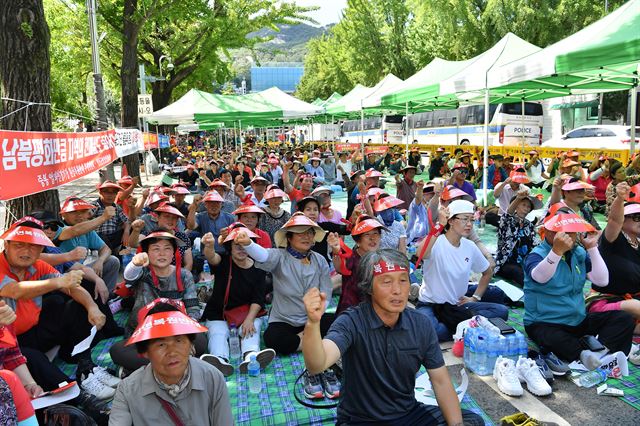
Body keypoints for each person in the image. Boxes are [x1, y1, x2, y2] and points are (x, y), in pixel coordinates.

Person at [301, 249, 484, 425]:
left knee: (471, 421)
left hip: (408, 413)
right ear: (369, 287)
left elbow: (441, 381)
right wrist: (312, 323)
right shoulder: (351, 322)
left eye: (403, 280)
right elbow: (317, 363)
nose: (397, 290)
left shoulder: (421, 324)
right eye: (386, 282)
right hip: (361, 420)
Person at [0, 217, 121, 397]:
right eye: (19, 245)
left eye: (33, 246)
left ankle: (86, 366)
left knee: (76, 304)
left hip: (34, 331)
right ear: (7, 245)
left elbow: (72, 288)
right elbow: (15, 290)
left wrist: (92, 307)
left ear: (41, 249)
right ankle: (75, 393)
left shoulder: (38, 265)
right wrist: (58, 281)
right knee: (38, 363)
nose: (26, 251)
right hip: (9, 343)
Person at [233, 214, 340, 397]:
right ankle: (313, 344)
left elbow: (326, 291)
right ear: (289, 238)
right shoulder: (280, 257)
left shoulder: (320, 260)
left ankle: (315, 350)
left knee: (339, 322)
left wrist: (318, 314)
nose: (306, 237)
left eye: (309, 233)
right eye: (300, 234)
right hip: (285, 320)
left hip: (313, 319)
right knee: (273, 338)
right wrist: (248, 244)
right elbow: (264, 254)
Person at [523, 211, 635, 370]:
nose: (567, 237)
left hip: (577, 320)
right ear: (547, 231)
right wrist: (556, 252)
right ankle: (581, 353)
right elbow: (539, 277)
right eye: (562, 232)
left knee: (624, 318)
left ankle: (599, 354)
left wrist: (592, 248)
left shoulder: (579, 252)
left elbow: (602, 280)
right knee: (550, 338)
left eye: (571, 232)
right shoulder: (536, 255)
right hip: (545, 322)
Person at [109, 300, 233, 426]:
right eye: (161, 344)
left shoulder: (212, 378)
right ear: (145, 351)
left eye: (179, 341)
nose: (172, 352)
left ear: (191, 345)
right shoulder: (127, 391)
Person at [415, 200, 508, 341]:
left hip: (456, 305)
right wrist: (439, 225)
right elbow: (419, 254)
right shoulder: (437, 242)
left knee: (501, 311)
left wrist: (475, 298)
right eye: (465, 219)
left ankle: (461, 327)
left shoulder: (469, 246)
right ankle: (465, 327)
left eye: (471, 219)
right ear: (450, 221)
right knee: (434, 331)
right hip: (430, 305)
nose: (469, 224)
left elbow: (487, 272)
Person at [199, 226, 275, 376]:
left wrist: (249, 319)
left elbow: (258, 298)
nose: (241, 249)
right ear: (230, 248)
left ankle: (251, 357)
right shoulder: (224, 262)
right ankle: (219, 360)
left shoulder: (259, 267)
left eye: (245, 245)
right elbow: (212, 257)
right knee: (218, 333)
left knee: (250, 330)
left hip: (248, 313)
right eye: (236, 246)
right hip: (219, 313)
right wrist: (208, 245)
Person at [588, 182, 640, 357]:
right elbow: (613, 220)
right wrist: (620, 198)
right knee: (636, 307)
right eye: (637, 217)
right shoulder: (612, 239)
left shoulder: (638, 244)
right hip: (604, 302)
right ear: (624, 220)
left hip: (632, 302)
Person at [55, 197, 121, 293]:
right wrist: (103, 217)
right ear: (63, 214)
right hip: (62, 273)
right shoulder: (58, 228)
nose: (79, 215)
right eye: (74, 212)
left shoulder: (87, 230)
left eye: (83, 211)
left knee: (113, 261)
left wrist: (100, 261)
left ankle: (108, 297)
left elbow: (106, 249)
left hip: (82, 270)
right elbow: (75, 230)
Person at [494, 192, 542, 286]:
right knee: (519, 273)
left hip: (524, 262)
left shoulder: (529, 225)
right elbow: (508, 214)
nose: (526, 208)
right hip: (507, 263)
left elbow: (535, 243)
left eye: (528, 207)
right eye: (523, 204)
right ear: (516, 206)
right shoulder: (507, 221)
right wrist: (518, 198)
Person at [129, 203, 194, 271]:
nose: (170, 220)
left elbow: (188, 264)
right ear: (157, 217)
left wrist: (182, 278)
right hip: (152, 277)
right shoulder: (149, 235)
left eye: (174, 217)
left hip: (177, 277)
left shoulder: (182, 237)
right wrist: (136, 231)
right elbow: (133, 244)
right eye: (167, 216)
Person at [92, 180, 131, 254]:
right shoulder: (94, 206)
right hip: (98, 238)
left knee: (132, 227)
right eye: (106, 192)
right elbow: (86, 221)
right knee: (101, 236)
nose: (110, 195)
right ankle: (112, 253)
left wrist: (126, 231)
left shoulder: (116, 207)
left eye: (113, 192)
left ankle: (121, 251)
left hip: (113, 236)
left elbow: (126, 221)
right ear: (100, 192)